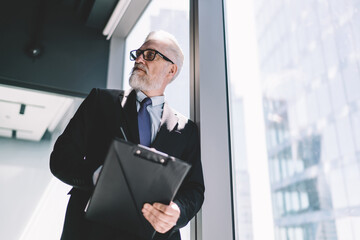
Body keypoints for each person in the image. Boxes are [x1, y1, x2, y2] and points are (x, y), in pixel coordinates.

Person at [50, 30, 204, 240]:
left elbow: (194, 189)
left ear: (171, 69)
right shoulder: (100, 102)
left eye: (149, 55)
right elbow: (61, 158)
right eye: (137, 54)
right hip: (92, 231)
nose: (139, 59)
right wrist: (98, 176)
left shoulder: (187, 130)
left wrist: (177, 211)